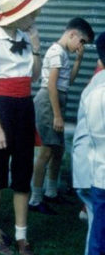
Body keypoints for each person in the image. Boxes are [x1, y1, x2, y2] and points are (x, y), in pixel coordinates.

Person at [0, 0, 48, 255]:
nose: (35, 17)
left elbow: (35, 78)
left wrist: (38, 48)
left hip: (24, 108)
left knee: (22, 173)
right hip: (1, 109)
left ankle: (21, 236)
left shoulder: (27, 38)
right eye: (31, 13)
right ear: (17, 15)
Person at [29, 17, 94, 214]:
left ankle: (51, 192)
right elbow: (51, 85)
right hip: (49, 102)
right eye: (81, 42)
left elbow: (68, 81)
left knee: (57, 150)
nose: (80, 46)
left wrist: (79, 60)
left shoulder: (64, 53)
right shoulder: (56, 52)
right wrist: (57, 115)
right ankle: (35, 198)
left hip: (57, 100)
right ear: (72, 34)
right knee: (47, 150)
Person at [73, 32, 105, 255]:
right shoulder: (98, 92)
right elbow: (97, 138)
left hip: (96, 171)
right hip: (96, 174)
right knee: (98, 234)